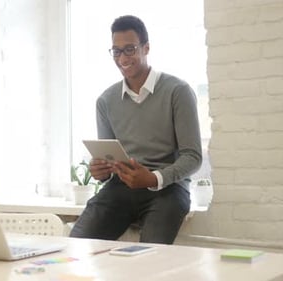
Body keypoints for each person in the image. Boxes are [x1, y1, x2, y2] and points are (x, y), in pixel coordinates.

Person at [69, 15, 202, 244]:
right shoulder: (106, 101)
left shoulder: (177, 91)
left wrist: (152, 178)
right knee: (76, 244)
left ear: (146, 48)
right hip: (121, 189)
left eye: (129, 49)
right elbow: (109, 158)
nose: (122, 58)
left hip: (168, 190)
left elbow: (193, 157)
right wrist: (101, 171)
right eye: (116, 51)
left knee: (150, 254)